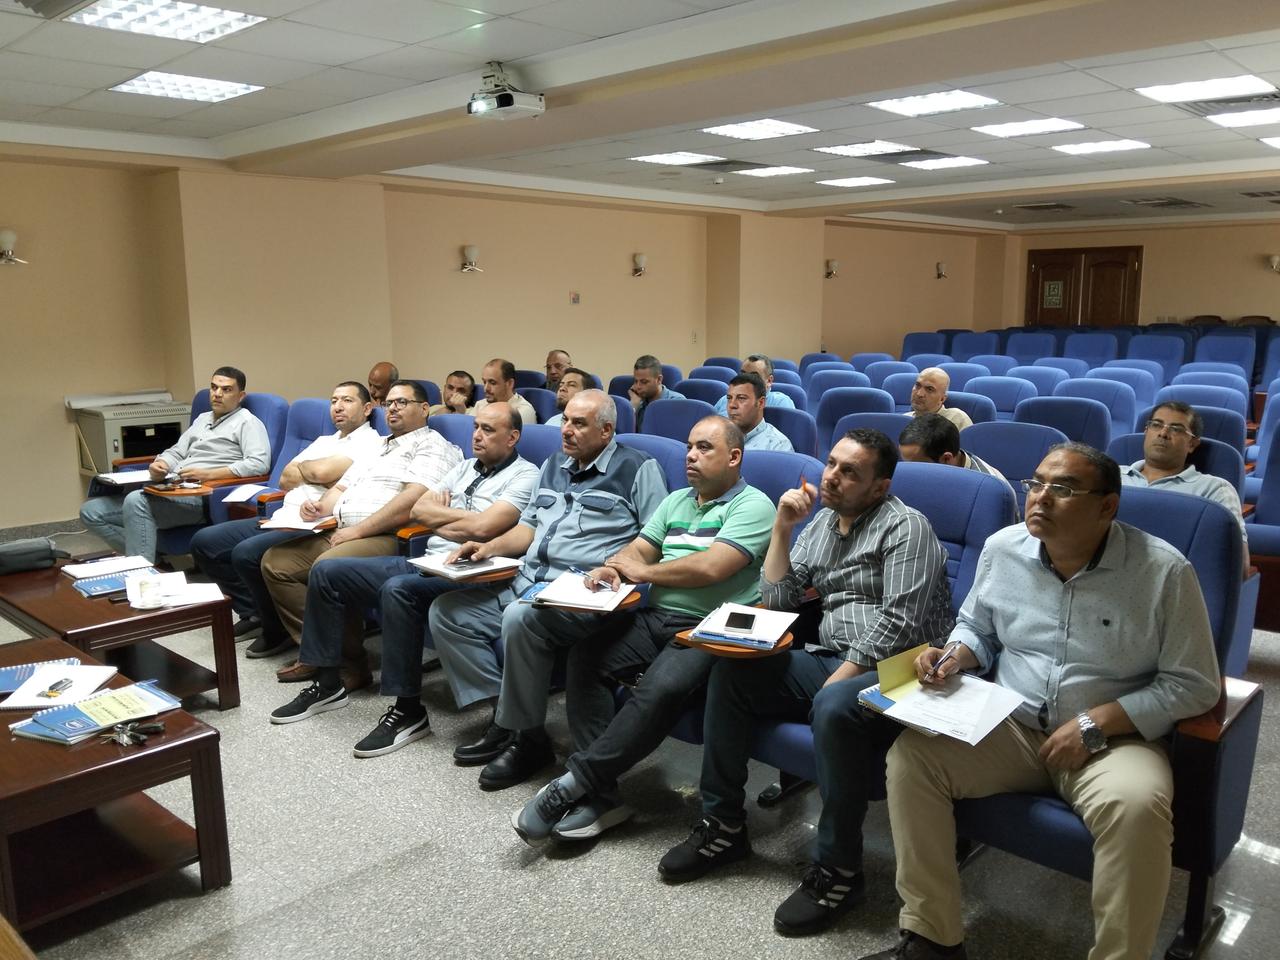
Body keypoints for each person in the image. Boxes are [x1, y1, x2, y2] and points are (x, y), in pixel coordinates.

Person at [859, 443, 1221, 960]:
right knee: (913, 759)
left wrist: (1098, 723)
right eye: (1036, 483)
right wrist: (955, 655)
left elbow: (1195, 683)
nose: (1041, 497)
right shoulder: (1003, 549)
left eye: (1064, 488)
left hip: (1113, 740)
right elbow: (978, 627)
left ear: (1107, 506)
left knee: (1137, 807)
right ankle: (932, 938)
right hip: (1013, 723)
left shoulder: (1163, 572)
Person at [658, 429, 954, 938]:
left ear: (880, 486)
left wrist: (835, 682)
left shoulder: (907, 527)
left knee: (835, 704)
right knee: (731, 670)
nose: (831, 477)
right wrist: (781, 529)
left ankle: (839, 870)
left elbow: (901, 623)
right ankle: (722, 826)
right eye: (832, 464)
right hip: (834, 658)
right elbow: (779, 600)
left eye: (849, 472)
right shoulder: (821, 523)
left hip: (905, 669)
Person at [512, 415, 775, 841]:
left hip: (710, 627)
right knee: (587, 656)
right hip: (656, 616)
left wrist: (645, 572)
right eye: (689, 446)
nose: (690, 455)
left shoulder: (754, 505)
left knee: (661, 687)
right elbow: (639, 549)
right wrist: (615, 568)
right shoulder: (676, 501)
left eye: (704, 447)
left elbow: (713, 567)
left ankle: (574, 784)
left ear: (734, 457)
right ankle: (603, 798)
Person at [428, 389, 667, 788]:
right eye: (565, 420)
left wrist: (616, 569)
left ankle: (526, 740)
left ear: (607, 430)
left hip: (583, 594)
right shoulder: (554, 463)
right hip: (527, 580)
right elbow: (529, 525)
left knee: (520, 618)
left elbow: (654, 539)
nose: (566, 430)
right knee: (448, 614)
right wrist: (488, 547)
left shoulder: (638, 468)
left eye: (579, 424)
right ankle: (507, 720)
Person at [268, 403, 541, 751]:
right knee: (327, 570)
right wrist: (454, 519)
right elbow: (419, 509)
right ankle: (328, 681)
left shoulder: (525, 475)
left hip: (472, 568)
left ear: (512, 437)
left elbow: (485, 527)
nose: (476, 435)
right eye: (476, 427)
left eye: (488, 430)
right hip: (428, 560)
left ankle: (408, 710)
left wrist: (443, 516)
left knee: (398, 590)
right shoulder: (463, 468)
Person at [255, 381, 462, 684]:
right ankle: (319, 651)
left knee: (328, 566)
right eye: (389, 403)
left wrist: (358, 531)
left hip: (389, 536)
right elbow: (341, 488)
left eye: (402, 402)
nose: (392, 408)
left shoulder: (432, 445)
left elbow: (412, 501)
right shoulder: (379, 446)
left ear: (424, 408)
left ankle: (350, 666)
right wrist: (320, 507)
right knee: (276, 563)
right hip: (344, 529)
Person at [190, 381, 382, 643]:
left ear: (367, 408)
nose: (338, 407)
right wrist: (315, 473)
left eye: (347, 401)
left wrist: (310, 471)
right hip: (282, 514)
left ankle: (276, 628)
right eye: (334, 400)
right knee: (204, 542)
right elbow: (285, 478)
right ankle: (254, 613)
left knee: (246, 554)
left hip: (315, 523)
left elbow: (319, 472)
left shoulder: (371, 442)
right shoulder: (324, 440)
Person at [80, 366, 270, 563]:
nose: (217, 394)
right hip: (170, 488)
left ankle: (141, 573)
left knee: (136, 501)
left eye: (226, 389)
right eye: (214, 388)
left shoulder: (247, 422)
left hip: (202, 497)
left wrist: (210, 474)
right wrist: (161, 463)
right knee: (91, 511)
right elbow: (177, 451)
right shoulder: (203, 419)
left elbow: (258, 464)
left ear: (240, 396)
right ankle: (149, 561)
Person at [1120, 401, 1247, 558]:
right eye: (1156, 425)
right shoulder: (1111, 475)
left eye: (1176, 429)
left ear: (1192, 444)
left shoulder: (1214, 489)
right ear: (1146, 431)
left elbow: (1237, 563)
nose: (1163, 433)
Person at [897, 414, 1017, 515]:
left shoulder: (989, 492)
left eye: (915, 467)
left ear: (946, 459)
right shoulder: (924, 466)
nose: (908, 473)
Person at [724, 373, 793, 451]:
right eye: (729, 398)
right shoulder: (718, 436)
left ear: (761, 403)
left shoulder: (778, 446)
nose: (732, 405)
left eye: (741, 398)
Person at [464, 359, 539, 425]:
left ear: (510, 383)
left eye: (492, 383)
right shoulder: (480, 405)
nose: (486, 388)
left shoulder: (523, 411)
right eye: (484, 382)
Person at [713, 354, 796, 414]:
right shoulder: (725, 400)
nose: (746, 380)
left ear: (769, 381)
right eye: (743, 374)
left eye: (754, 376)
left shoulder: (780, 402)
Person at [629, 354, 684, 432]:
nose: (638, 386)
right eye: (635, 381)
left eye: (644, 382)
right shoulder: (639, 403)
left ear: (659, 379)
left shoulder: (677, 402)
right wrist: (633, 407)